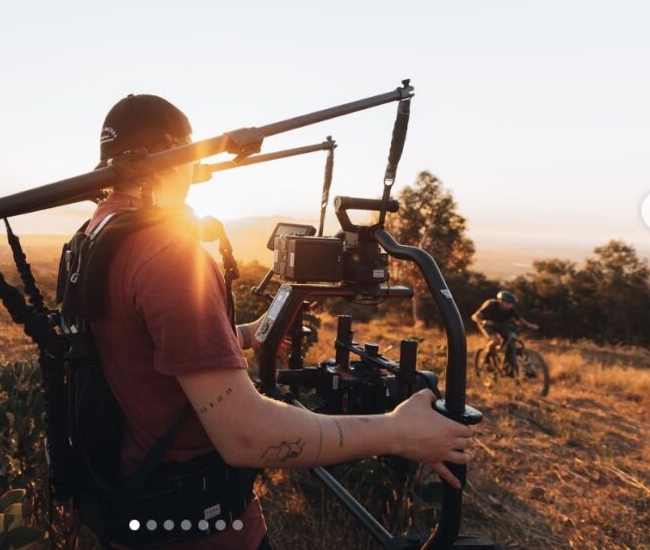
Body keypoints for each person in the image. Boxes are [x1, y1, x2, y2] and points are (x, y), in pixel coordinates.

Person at [86, 94, 475, 550]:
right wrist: (397, 431)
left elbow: (139, 347)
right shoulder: (167, 253)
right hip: (199, 526)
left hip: (135, 504)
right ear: (177, 153)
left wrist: (247, 334)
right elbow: (246, 435)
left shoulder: (96, 236)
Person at [471, 290, 539, 374]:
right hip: (487, 325)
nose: (512, 305)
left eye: (512, 303)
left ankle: (507, 365)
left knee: (511, 339)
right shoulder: (491, 305)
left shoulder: (511, 309)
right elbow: (475, 316)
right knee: (496, 341)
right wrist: (482, 321)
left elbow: (520, 319)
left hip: (499, 325)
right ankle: (486, 361)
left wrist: (529, 325)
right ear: (502, 301)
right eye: (509, 303)